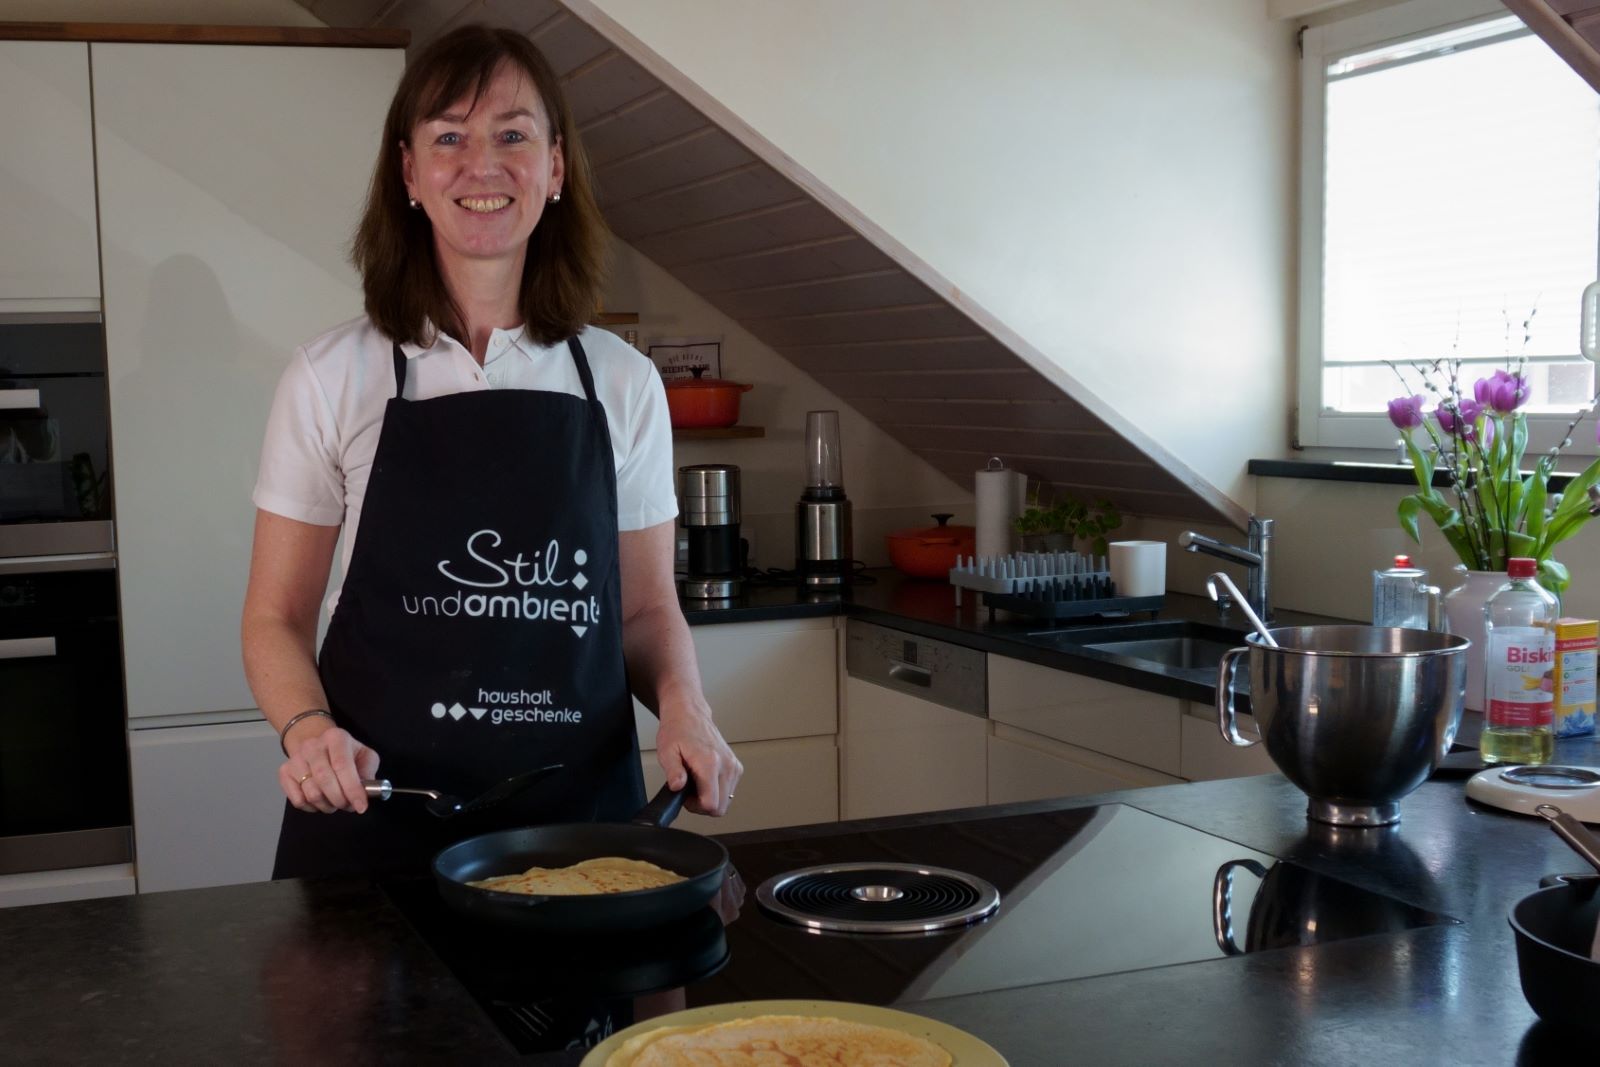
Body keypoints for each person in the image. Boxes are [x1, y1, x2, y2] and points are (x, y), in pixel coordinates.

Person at [241, 25, 742, 879]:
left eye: (513, 134)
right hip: (379, 824)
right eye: (449, 138)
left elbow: (644, 610)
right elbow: (274, 617)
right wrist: (308, 729)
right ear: (409, 173)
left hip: (579, 835)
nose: (483, 165)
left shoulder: (622, 382)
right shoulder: (331, 376)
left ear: (556, 168)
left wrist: (684, 706)